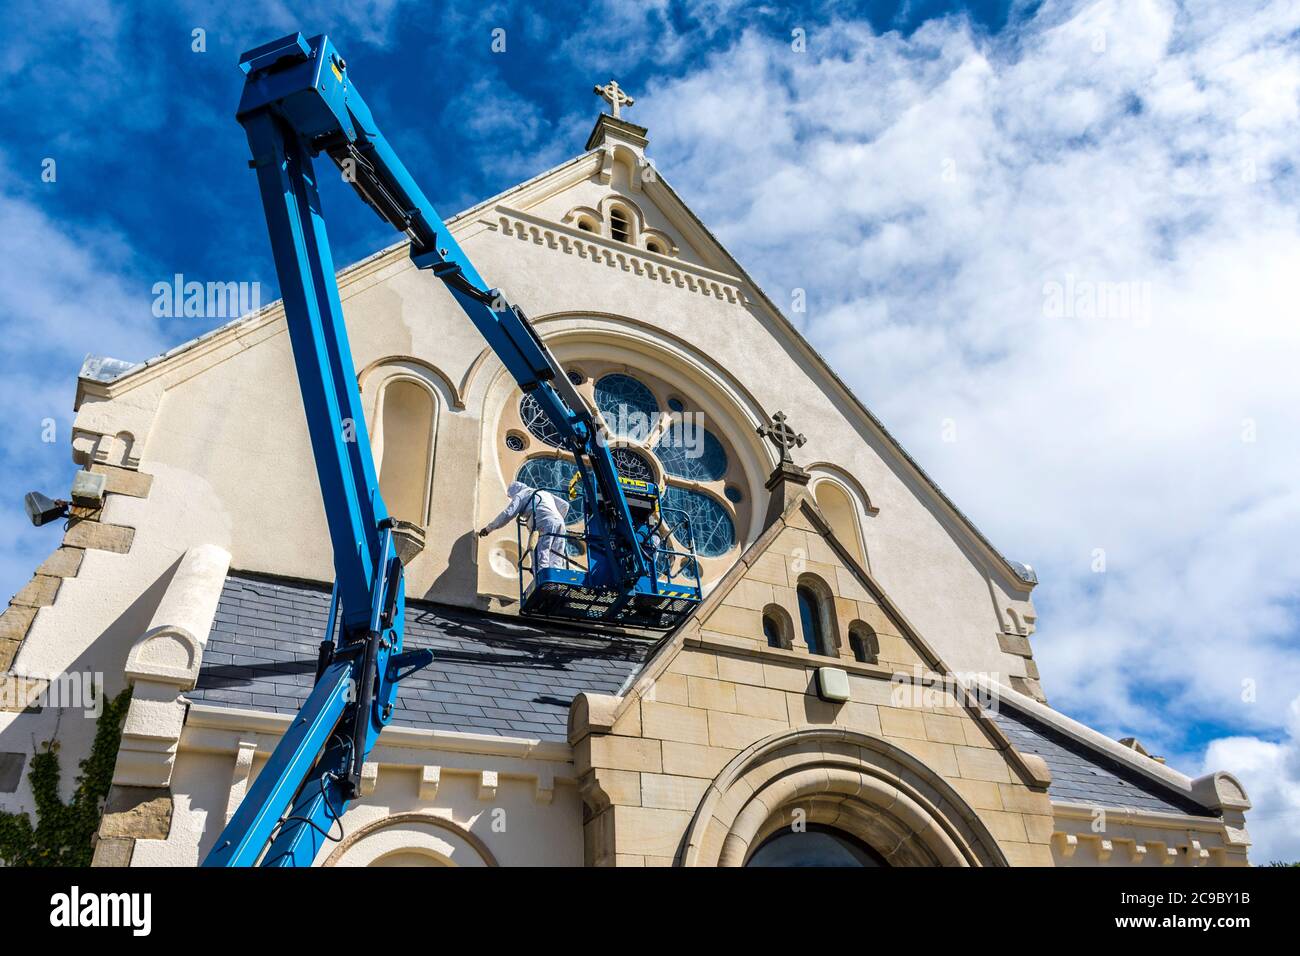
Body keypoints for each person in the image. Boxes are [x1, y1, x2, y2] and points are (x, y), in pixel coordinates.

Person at [479, 480, 571, 572]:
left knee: (540, 555)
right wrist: (555, 520)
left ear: (514, 492)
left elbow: (508, 514)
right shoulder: (541, 492)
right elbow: (565, 505)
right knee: (557, 556)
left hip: (543, 522)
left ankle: (543, 581)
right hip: (560, 523)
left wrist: (489, 528)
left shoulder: (521, 494)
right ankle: (558, 581)